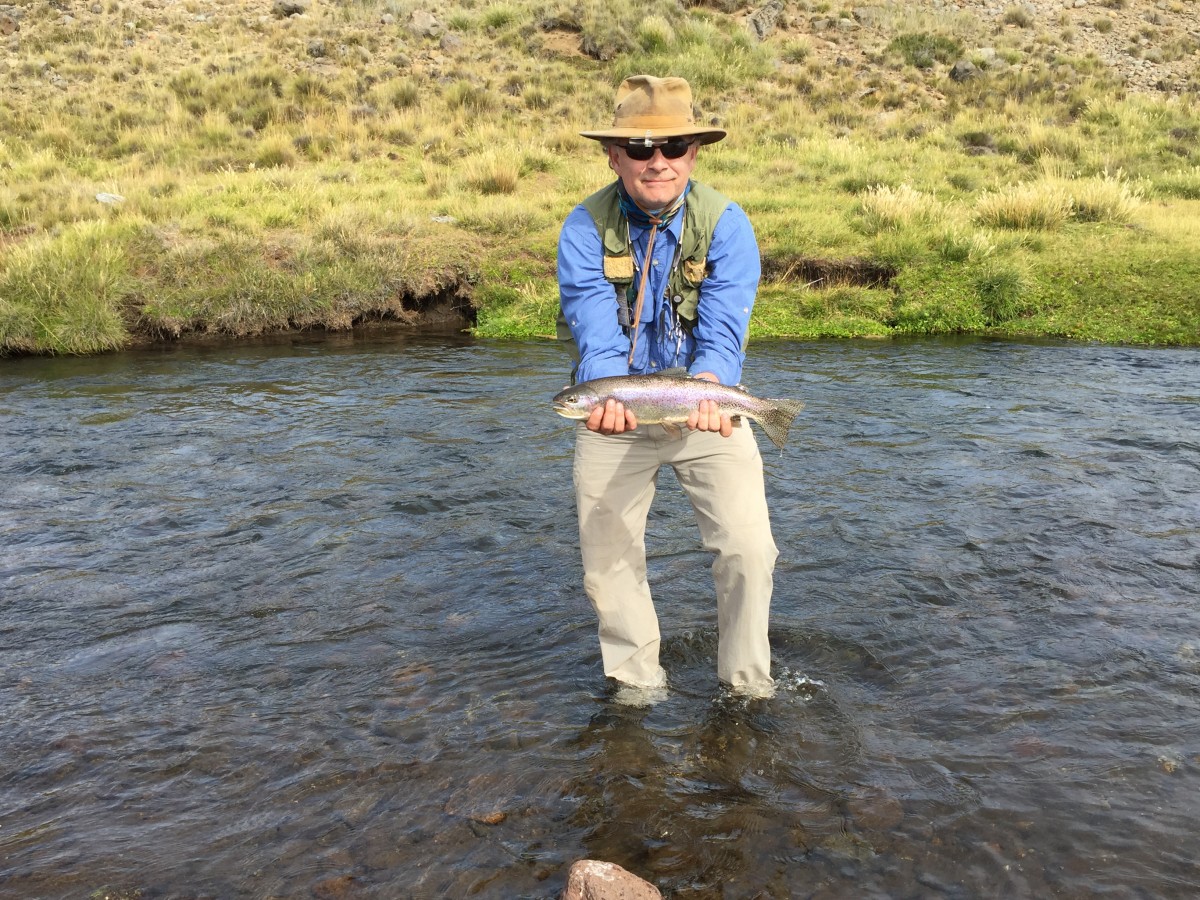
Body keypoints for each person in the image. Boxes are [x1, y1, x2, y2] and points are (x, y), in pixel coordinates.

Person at [556, 74, 778, 700]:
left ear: (694, 153)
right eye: (639, 148)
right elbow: (597, 339)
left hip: (703, 407)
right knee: (607, 563)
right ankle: (638, 688)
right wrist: (602, 399)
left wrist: (712, 387)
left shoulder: (727, 225)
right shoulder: (583, 229)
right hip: (617, 414)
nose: (657, 161)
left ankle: (746, 688)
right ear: (613, 156)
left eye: (673, 146)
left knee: (748, 549)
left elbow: (724, 335)